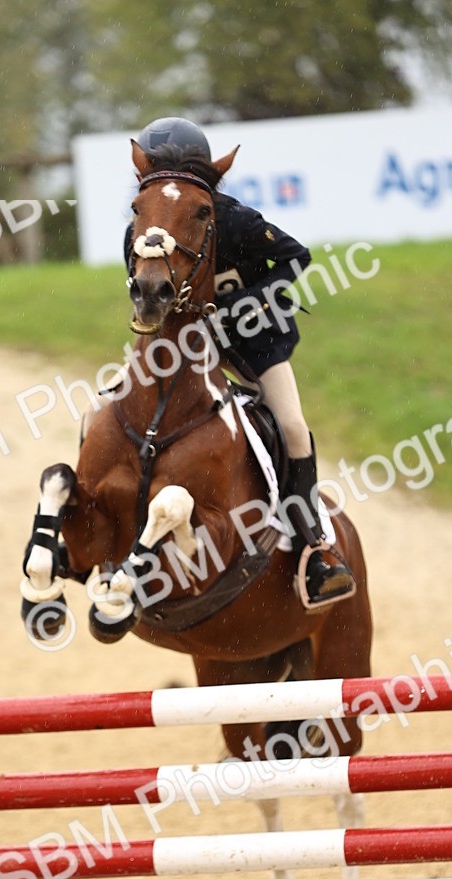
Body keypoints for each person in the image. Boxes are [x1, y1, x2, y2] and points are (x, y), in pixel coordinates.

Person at [113, 116, 353, 604]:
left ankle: (318, 551)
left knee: (290, 426)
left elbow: (296, 257)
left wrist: (248, 305)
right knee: (115, 408)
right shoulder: (141, 229)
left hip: (253, 343)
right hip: (187, 346)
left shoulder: (233, 219)